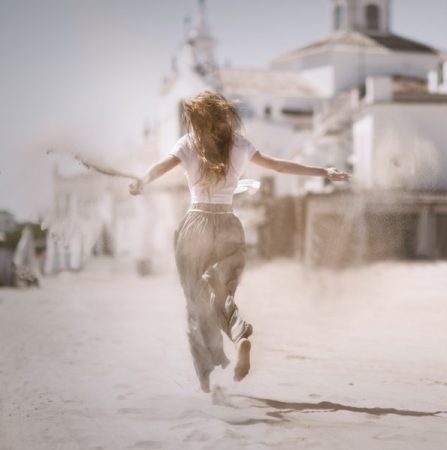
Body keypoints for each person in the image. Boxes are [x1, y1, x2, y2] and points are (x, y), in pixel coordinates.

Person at [129, 91, 349, 393]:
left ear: (196, 118)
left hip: (196, 225)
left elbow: (160, 167)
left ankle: (210, 378)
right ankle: (239, 334)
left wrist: (142, 180)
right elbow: (280, 166)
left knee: (196, 303)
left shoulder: (188, 143)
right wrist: (324, 171)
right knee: (220, 294)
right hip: (229, 224)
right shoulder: (239, 144)